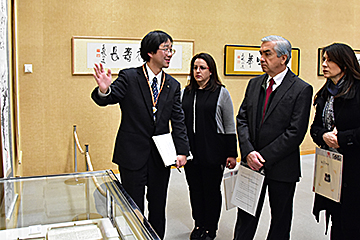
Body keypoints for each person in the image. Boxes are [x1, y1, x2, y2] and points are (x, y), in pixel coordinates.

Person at [91, 30, 189, 239]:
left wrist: (182, 151)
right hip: (132, 154)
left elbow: (178, 121)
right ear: (151, 52)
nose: (170, 53)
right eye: (166, 49)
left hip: (160, 157)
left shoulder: (173, 85)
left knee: (158, 206)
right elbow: (108, 98)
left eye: (172, 49)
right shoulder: (130, 76)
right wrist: (104, 90)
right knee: (132, 207)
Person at [233, 35, 313, 240]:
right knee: (245, 217)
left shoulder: (301, 89)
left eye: (267, 53)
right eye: (260, 53)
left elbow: (295, 132)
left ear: (283, 58)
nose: (261, 58)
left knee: (280, 220)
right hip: (251, 165)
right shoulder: (254, 84)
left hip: (282, 167)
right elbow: (241, 119)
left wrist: (261, 156)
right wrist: (249, 152)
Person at [181, 53, 237, 240]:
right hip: (191, 152)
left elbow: (229, 124)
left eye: (202, 68)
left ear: (210, 71)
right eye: (195, 67)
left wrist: (231, 153)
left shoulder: (221, 93)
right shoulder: (186, 93)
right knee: (195, 189)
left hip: (213, 151)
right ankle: (199, 224)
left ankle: (210, 229)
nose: (197, 71)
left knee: (211, 191)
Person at [310, 43, 360, 239]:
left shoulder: (357, 90)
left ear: (345, 64)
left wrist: (342, 139)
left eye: (329, 60)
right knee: (336, 217)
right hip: (332, 166)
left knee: (353, 219)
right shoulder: (326, 92)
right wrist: (323, 136)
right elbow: (314, 128)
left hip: (354, 166)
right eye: (323, 59)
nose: (324, 64)